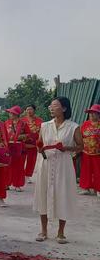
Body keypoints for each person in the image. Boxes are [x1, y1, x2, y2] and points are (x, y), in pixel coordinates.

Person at [33, 97, 83, 243]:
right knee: (43, 194)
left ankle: (61, 232)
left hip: (63, 164)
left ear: (64, 109)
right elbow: (40, 145)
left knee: (63, 195)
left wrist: (66, 148)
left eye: (55, 106)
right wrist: (41, 149)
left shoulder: (73, 127)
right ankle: (43, 231)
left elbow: (80, 146)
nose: (51, 108)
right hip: (46, 163)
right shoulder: (44, 126)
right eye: (51, 105)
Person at [5, 106, 28, 192]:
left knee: (18, 166)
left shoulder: (23, 124)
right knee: (7, 165)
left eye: (11, 113)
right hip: (9, 146)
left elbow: (29, 135)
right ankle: (7, 183)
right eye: (10, 112)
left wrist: (20, 137)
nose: (10, 114)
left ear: (16, 114)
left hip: (19, 147)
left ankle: (17, 184)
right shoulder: (6, 123)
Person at [79, 104, 100, 196]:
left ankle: (98, 189)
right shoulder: (85, 124)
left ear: (98, 114)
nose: (91, 115)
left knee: (98, 171)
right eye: (90, 113)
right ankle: (85, 188)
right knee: (85, 170)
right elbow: (80, 136)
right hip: (86, 151)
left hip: (98, 152)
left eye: (94, 113)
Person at [21, 104, 43, 183]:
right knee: (21, 159)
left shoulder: (39, 121)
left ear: (34, 110)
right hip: (23, 143)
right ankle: (20, 175)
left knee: (31, 160)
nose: (29, 111)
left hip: (34, 143)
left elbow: (42, 132)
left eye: (30, 109)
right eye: (27, 109)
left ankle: (28, 175)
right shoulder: (22, 120)